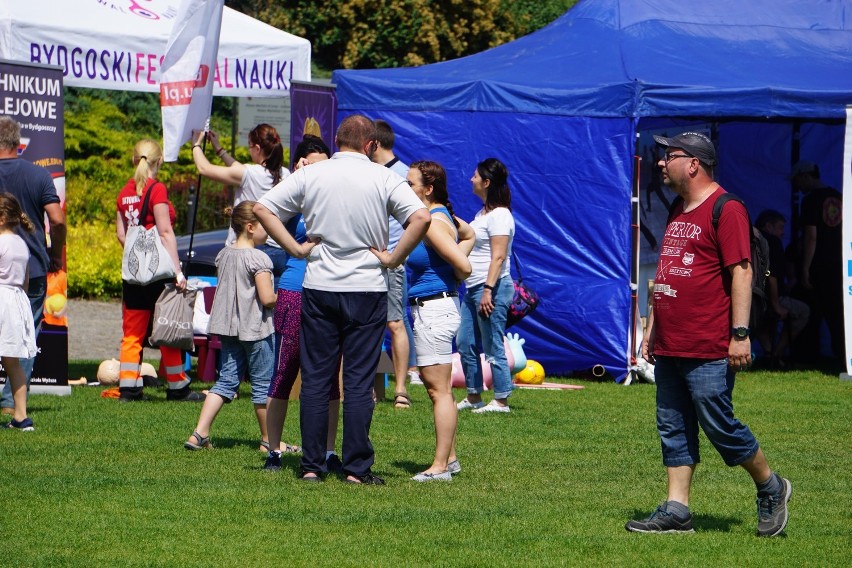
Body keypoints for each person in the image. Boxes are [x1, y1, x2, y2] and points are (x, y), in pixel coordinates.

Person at [628, 132, 791, 537]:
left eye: (671, 156)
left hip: (710, 343)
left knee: (719, 424)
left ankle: (771, 486)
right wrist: (651, 326)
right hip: (670, 342)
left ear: (695, 164)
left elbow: (742, 271)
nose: (662, 163)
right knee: (672, 424)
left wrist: (740, 333)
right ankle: (677, 510)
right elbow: (666, 271)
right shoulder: (678, 208)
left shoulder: (727, 208)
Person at [254, 114, 430, 484]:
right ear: (371, 145)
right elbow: (421, 218)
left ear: (337, 141)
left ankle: (312, 466)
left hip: (319, 287)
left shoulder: (313, 174)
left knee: (316, 378)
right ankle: (355, 468)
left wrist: (295, 249)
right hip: (367, 288)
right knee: (357, 380)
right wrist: (394, 258)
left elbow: (262, 209)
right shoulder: (384, 177)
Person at [373, 161, 474, 481]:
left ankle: (440, 467)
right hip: (434, 308)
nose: (405, 189)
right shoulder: (441, 215)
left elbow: (465, 266)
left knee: (438, 392)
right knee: (439, 389)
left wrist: (453, 274)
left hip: (434, 310)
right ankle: (451, 460)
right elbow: (468, 233)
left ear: (428, 189)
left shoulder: (431, 221)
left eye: (411, 184)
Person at [264, 135, 344, 473]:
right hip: (296, 289)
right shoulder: (293, 192)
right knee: (285, 370)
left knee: (329, 378)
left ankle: (328, 452)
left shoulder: (338, 192)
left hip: (331, 287)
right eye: (312, 164)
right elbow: (269, 224)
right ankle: (274, 451)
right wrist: (297, 180)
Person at [115, 139, 204, 402]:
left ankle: (129, 388)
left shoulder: (124, 192)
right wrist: (177, 272)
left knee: (132, 332)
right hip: (159, 272)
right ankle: (177, 386)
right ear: (159, 161)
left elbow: (122, 235)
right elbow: (165, 232)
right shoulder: (156, 190)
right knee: (167, 324)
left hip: (134, 275)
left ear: (134, 160)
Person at [185, 202, 277, 450]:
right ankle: (269, 442)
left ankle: (199, 434)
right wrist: (284, 299)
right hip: (256, 329)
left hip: (228, 329)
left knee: (226, 381)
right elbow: (267, 298)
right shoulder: (260, 258)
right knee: (262, 385)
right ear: (250, 227)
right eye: (264, 226)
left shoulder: (223, 254)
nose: (268, 230)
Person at [0, 116, 66, 415]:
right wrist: (57, 251)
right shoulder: (39, 175)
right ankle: (11, 401)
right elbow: (57, 219)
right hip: (32, 267)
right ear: (18, 143)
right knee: (25, 335)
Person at [191, 124, 289, 284]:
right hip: (278, 250)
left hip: (249, 249)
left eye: (250, 147)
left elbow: (204, 168)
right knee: (269, 303)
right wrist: (219, 149)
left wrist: (196, 145)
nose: (249, 150)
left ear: (257, 148)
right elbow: (239, 168)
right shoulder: (285, 174)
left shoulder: (250, 174)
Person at [456, 158, 516, 414]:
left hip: (491, 287)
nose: (471, 179)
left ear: (487, 182)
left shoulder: (500, 215)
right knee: (465, 340)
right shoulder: (482, 214)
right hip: (473, 287)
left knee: (492, 342)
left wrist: (488, 290)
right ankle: (473, 394)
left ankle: (501, 399)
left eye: (475, 176)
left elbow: (499, 256)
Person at [372, 119, 421, 408]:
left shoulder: (404, 176)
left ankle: (401, 389)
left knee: (395, 322)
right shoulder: (369, 173)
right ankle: (374, 388)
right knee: (369, 326)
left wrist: (397, 255)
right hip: (367, 262)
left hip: (392, 263)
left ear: (374, 144)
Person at [790, 161, 843, 368]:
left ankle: (807, 357)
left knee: (811, 311)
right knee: (837, 314)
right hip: (838, 263)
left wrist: (805, 267)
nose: (797, 187)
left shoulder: (811, 200)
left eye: (797, 182)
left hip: (819, 265)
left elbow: (811, 236)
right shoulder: (839, 196)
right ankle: (842, 356)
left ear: (804, 176)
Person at [0, 193, 38, 430]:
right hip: (16, 301)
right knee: (12, 362)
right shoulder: (21, 244)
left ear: (2, 217)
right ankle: (21, 417)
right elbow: (24, 281)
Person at [754, 210, 809, 368]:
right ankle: (776, 353)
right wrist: (776, 303)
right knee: (803, 311)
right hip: (765, 298)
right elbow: (772, 276)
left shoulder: (746, 237)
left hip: (748, 299)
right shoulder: (772, 241)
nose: (782, 232)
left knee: (755, 319)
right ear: (768, 226)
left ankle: (770, 352)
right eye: (780, 227)